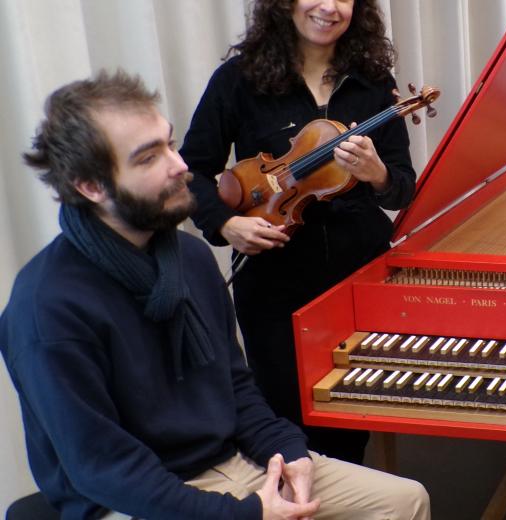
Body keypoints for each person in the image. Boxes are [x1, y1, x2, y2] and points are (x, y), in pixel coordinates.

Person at [1, 70, 429, 519]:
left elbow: (235, 386)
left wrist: (289, 451)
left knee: (404, 501)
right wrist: (244, 514)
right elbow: (104, 469)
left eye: (169, 143)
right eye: (149, 158)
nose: (180, 165)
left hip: (228, 460)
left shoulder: (189, 256)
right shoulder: (45, 308)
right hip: (129, 497)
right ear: (90, 186)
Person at [180, 0, 416, 464]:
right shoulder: (239, 81)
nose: (329, 7)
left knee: (352, 419)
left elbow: (401, 189)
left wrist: (376, 173)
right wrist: (226, 225)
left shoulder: (374, 82)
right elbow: (191, 171)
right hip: (274, 282)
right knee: (285, 423)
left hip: (358, 276)